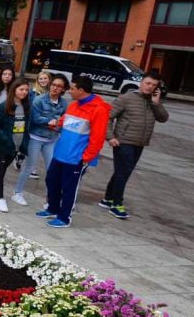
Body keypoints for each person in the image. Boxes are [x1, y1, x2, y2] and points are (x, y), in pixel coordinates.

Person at [36, 77, 111, 228]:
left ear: (81, 90)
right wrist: (56, 124)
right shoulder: (74, 105)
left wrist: (86, 158)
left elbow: (98, 137)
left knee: (69, 187)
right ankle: (53, 208)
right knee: (51, 180)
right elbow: (64, 121)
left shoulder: (99, 110)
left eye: (72, 88)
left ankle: (64, 218)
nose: (69, 91)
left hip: (76, 157)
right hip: (61, 153)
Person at [99, 70, 168, 219]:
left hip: (140, 143)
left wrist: (156, 103)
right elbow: (107, 118)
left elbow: (163, 118)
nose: (150, 87)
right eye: (147, 83)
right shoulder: (126, 98)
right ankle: (116, 204)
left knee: (122, 171)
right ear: (141, 82)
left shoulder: (152, 102)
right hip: (123, 141)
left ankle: (107, 198)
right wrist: (110, 137)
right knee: (123, 172)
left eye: (154, 85)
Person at [12, 73, 68, 205]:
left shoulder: (64, 103)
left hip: (51, 139)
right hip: (36, 137)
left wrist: (58, 126)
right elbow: (35, 118)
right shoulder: (39, 100)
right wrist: (51, 121)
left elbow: (64, 120)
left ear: (63, 89)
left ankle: (50, 199)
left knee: (52, 169)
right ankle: (17, 192)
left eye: (59, 86)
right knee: (29, 166)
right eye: (53, 85)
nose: (55, 88)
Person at [0, 80, 31, 212]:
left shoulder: (26, 107)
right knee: (1, 172)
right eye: (21, 89)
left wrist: (23, 145)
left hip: (16, 147)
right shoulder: (3, 107)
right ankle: (1, 199)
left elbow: (26, 128)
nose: (24, 92)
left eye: (26, 90)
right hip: (2, 146)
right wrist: (6, 139)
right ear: (14, 90)